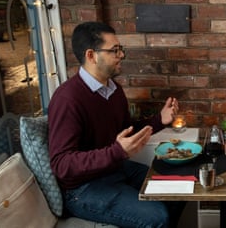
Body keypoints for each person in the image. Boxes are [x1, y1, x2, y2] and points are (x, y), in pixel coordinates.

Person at [48, 21, 181, 228]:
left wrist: (160, 120)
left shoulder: (113, 90)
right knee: (157, 216)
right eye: (115, 50)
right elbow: (62, 165)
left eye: (121, 50)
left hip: (115, 169)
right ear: (91, 55)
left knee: (179, 189)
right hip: (82, 189)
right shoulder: (67, 98)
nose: (122, 55)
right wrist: (116, 152)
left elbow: (126, 132)